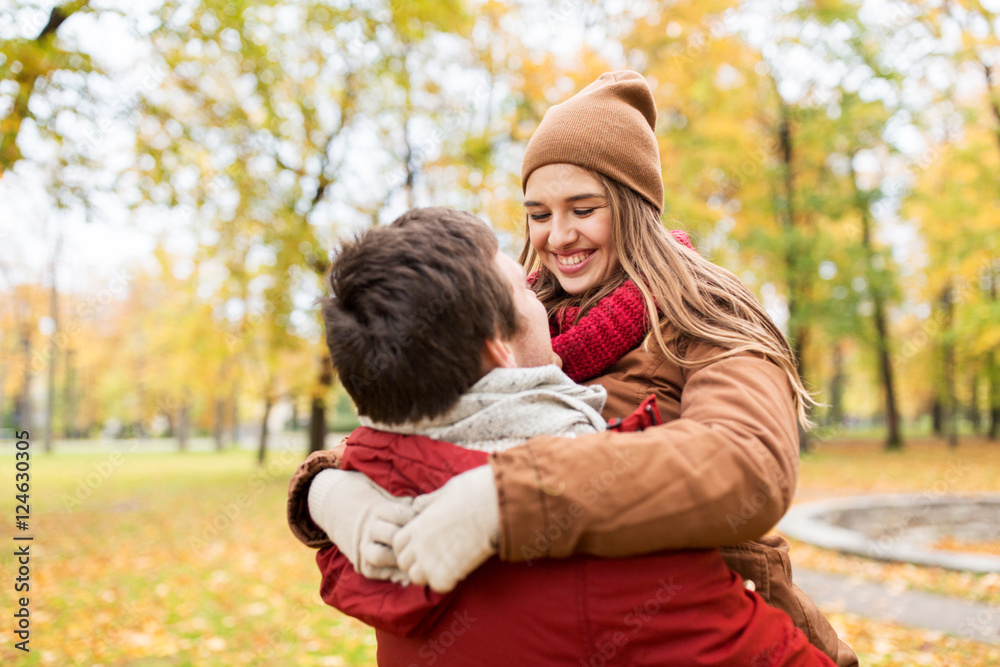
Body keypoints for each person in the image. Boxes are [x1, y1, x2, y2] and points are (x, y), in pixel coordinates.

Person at [288, 71, 858, 667]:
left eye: (583, 209)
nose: (558, 236)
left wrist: (510, 498)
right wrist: (327, 489)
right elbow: (422, 413)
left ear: (633, 205)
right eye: (538, 214)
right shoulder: (519, 311)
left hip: (718, 626)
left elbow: (749, 463)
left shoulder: (704, 311)